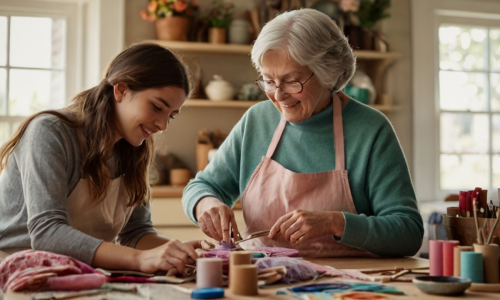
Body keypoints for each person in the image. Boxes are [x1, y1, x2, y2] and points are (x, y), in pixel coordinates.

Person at [182, 9, 423, 257]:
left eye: (292, 81)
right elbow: (201, 186)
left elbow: (408, 231)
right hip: (266, 282)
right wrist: (207, 204)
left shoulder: (371, 129)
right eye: (268, 80)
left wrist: (335, 222)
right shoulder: (257, 120)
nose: (278, 94)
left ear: (327, 73)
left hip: (346, 288)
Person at [0, 43, 200, 274]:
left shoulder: (135, 149)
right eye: (156, 107)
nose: (162, 125)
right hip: (13, 273)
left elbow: (136, 233)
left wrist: (187, 255)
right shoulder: (50, 132)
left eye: (171, 116)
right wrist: (140, 260)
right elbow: (48, 234)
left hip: (76, 275)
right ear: (121, 90)